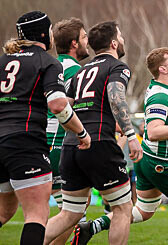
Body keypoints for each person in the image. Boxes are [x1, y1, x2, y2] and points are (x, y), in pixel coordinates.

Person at [74, 48, 168, 245]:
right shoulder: (159, 96)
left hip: (150, 161)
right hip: (165, 164)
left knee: (143, 211)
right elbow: (152, 131)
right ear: (163, 68)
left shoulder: (165, 90)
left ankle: (92, 227)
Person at [45, 21, 143, 245]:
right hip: (100, 144)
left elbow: (66, 108)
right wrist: (130, 136)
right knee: (123, 208)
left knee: (69, 214)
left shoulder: (81, 72)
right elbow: (116, 98)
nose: (124, 39)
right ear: (114, 43)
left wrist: (78, 133)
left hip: (72, 145)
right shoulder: (118, 67)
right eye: (121, 35)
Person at [0, 12, 91, 245]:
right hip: (25, 141)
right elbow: (58, 104)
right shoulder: (47, 62)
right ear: (44, 34)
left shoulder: (2, 61)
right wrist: (81, 132)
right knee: (37, 214)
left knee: (4, 212)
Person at [42, 18, 91, 245]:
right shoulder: (77, 73)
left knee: (73, 209)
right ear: (74, 44)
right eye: (83, 37)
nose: (87, 41)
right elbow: (83, 110)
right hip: (59, 144)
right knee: (72, 211)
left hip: (41, 143)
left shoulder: (48, 66)